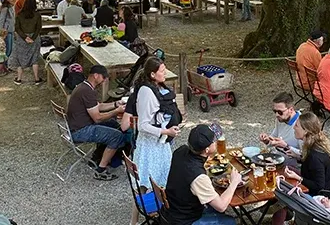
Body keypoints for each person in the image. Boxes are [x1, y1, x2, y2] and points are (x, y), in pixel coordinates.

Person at [160, 124, 240, 225]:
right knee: (230, 221)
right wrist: (234, 182)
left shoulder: (180, 151)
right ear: (206, 149)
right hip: (183, 221)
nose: (216, 142)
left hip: (172, 209)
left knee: (213, 205)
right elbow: (221, 206)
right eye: (214, 141)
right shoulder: (198, 177)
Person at [272, 113, 330, 225]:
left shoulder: (315, 155)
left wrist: (298, 178)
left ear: (306, 131)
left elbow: (319, 186)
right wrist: (298, 157)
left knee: (283, 190)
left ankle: (280, 214)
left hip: (322, 197)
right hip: (325, 186)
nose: (294, 127)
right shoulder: (317, 143)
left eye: (297, 126)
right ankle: (284, 211)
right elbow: (313, 167)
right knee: (284, 172)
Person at [67, 65, 127, 180]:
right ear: (96, 76)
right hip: (80, 131)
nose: (104, 80)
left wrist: (115, 104)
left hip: (77, 126)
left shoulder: (84, 87)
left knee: (114, 125)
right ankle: (101, 170)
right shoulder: (87, 91)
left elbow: (98, 106)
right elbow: (97, 118)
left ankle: (98, 156)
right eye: (103, 77)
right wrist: (116, 111)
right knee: (116, 136)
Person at [131, 58, 181, 194]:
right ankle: (140, 213)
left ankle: (160, 211)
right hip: (149, 147)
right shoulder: (146, 92)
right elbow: (142, 126)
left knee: (162, 180)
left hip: (161, 146)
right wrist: (166, 131)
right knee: (145, 184)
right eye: (162, 71)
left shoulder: (159, 86)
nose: (165, 74)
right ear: (152, 74)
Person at [9, 0, 43, 85]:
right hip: (34, 38)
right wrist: (33, 38)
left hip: (22, 38)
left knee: (19, 58)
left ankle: (19, 79)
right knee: (35, 58)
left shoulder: (19, 14)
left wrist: (25, 37)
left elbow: (17, 27)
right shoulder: (37, 15)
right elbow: (39, 28)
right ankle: (36, 78)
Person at [258, 92, 302, 158]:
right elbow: (274, 138)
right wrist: (267, 140)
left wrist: (286, 146)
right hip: (279, 157)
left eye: (280, 112)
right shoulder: (281, 120)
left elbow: (306, 156)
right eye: (274, 111)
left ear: (291, 109)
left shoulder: (302, 124)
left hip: (294, 164)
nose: (277, 115)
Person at [0, 0, 16, 71]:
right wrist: (1, 32)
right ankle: (1, 66)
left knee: (10, 49)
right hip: (6, 31)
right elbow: (2, 20)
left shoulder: (12, 7)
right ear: (7, 0)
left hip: (11, 30)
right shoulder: (5, 9)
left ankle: (6, 66)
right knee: (6, 50)